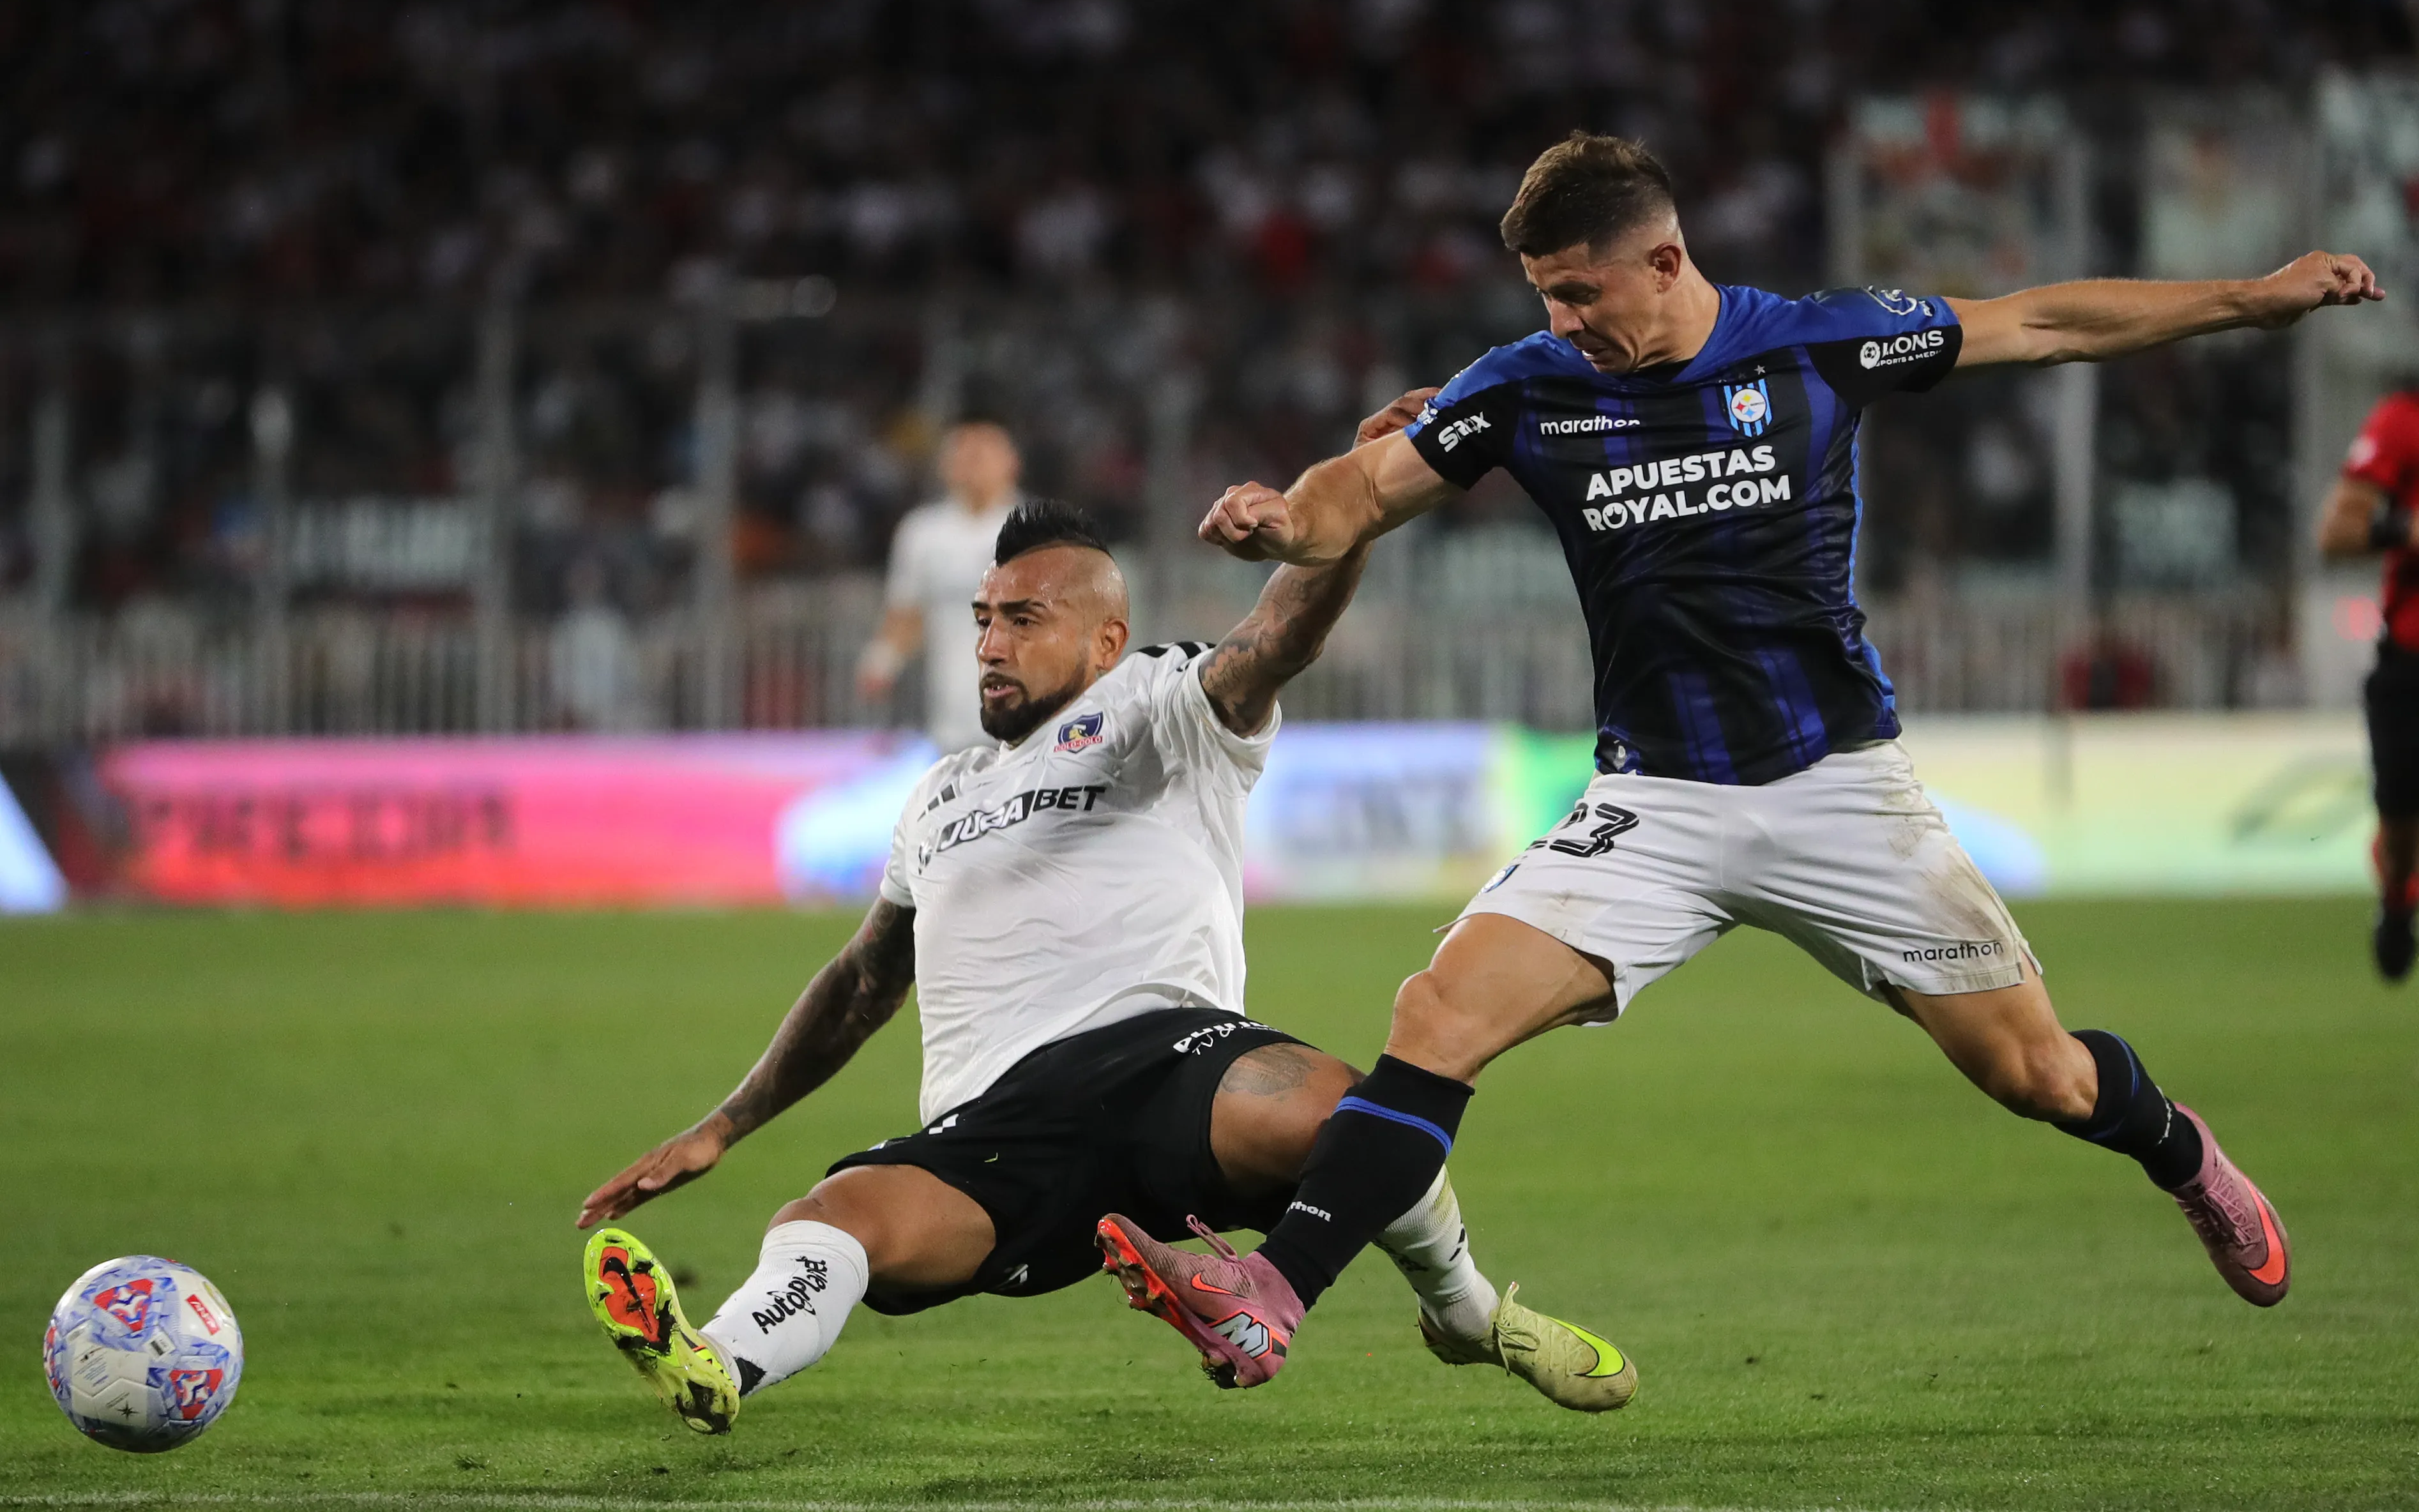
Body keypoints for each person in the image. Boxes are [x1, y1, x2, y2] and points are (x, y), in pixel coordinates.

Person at [1105, 132, 2382, 1389]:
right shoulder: (1527, 384)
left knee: (2036, 1074)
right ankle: (1272, 1291)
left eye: (1579, 291)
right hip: (1653, 801)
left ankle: (2178, 1151)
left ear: (1664, 259)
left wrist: (2247, 298)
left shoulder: (1816, 342)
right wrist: (1285, 518)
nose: (1561, 320)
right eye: (1543, 294)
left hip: (1838, 790)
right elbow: (1367, 486)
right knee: (1434, 1015)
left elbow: (2042, 322)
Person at [575, 497, 1633, 1436]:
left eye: (1022, 619)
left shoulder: (1158, 705)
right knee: (827, 1218)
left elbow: (1275, 636)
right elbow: (862, 981)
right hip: (997, 1123)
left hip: (1173, 1062)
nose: (990, 644)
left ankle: (1465, 1313)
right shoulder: (938, 794)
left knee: (1347, 1112)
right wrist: (724, 1125)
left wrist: (1354, 509)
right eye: (982, 620)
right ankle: (717, 1363)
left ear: (1105, 640)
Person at [2316, 379, 2419, 983]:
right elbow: (2336, 532)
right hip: (2411, 660)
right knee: (2400, 820)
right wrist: (2404, 530)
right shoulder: (2403, 419)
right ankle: (2398, 897)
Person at [857, 421, 1024, 752]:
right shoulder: (922, 533)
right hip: (951, 717)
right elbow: (908, 612)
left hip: (1024, 715)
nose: (972, 466)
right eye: (963, 456)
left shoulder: (1035, 529)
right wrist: (882, 660)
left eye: (981, 456)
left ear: (1011, 463)